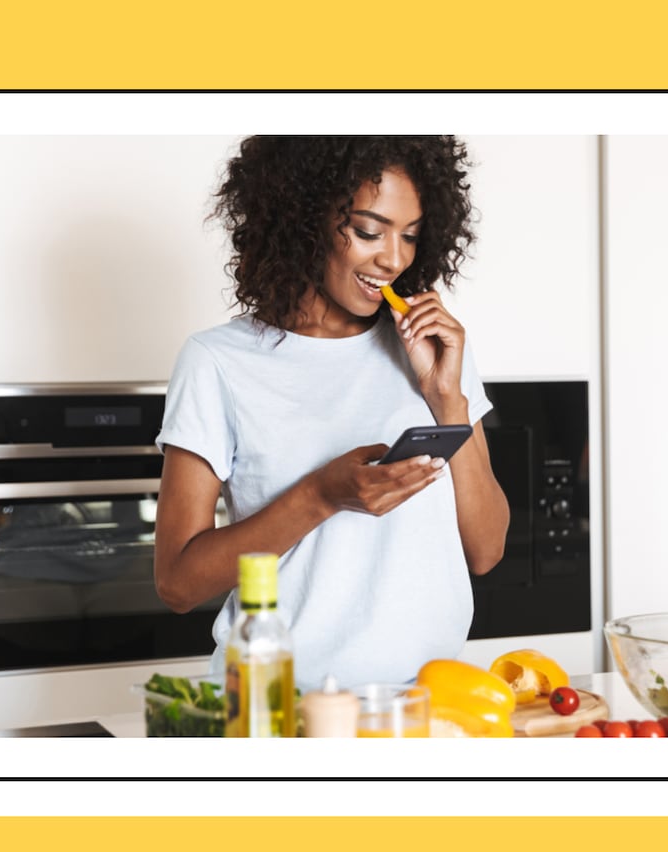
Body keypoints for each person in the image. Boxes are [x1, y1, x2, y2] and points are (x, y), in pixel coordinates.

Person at [153, 136, 509, 689]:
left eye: (409, 235)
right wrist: (321, 496)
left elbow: (486, 550)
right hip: (278, 705)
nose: (394, 259)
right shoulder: (217, 362)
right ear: (303, 219)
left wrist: (448, 401)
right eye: (368, 231)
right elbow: (178, 583)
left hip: (424, 705)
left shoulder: (432, 353)